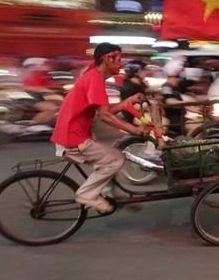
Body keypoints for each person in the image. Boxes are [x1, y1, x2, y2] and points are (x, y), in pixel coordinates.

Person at [51, 43, 149, 213]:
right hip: (74, 139)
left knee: (108, 155)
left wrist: (129, 100)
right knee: (116, 158)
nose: (121, 64)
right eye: (118, 60)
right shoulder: (94, 79)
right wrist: (134, 130)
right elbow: (105, 116)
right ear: (107, 59)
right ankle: (88, 194)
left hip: (72, 137)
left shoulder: (93, 76)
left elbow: (106, 110)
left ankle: (107, 194)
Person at [119, 60, 149, 124]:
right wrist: (148, 104)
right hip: (134, 116)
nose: (145, 72)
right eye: (143, 70)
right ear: (136, 72)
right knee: (159, 122)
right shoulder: (128, 87)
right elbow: (130, 107)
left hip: (143, 113)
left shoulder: (141, 84)